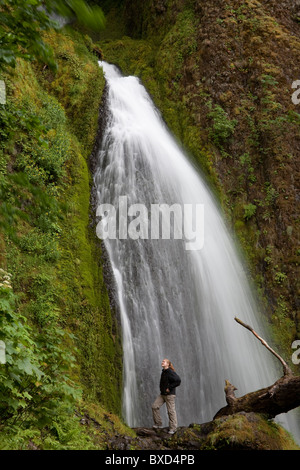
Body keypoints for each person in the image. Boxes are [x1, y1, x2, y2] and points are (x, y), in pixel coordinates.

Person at [152, 358, 181, 434]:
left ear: (168, 364)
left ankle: (173, 428)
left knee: (171, 411)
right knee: (155, 406)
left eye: (164, 361)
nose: (162, 362)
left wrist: (170, 387)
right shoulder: (164, 372)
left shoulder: (170, 372)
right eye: (162, 361)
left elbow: (178, 380)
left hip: (170, 395)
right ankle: (158, 424)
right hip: (163, 394)